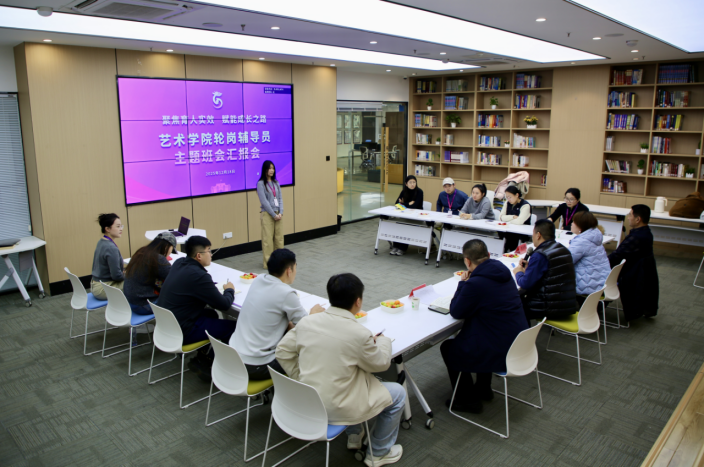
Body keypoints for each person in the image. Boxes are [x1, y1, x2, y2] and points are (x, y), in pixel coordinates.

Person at [276, 274, 406, 466]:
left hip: (307, 400)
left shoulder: (307, 322)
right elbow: (381, 364)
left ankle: (354, 435)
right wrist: (383, 341)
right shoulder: (359, 333)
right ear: (358, 301)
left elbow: (282, 351)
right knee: (398, 393)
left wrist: (301, 377)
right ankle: (378, 453)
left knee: (348, 374)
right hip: (337, 408)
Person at [441, 240, 527, 414]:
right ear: (488, 255)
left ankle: (467, 400)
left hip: (501, 348)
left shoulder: (475, 283)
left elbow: (456, 311)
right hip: (519, 342)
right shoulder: (503, 272)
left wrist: (462, 284)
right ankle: (483, 388)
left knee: (449, 347)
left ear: (467, 261)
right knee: (483, 330)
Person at [231, 248, 325, 381]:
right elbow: (306, 326)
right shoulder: (286, 293)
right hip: (256, 365)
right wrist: (313, 314)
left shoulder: (259, 279)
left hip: (232, 356)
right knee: (307, 351)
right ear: (289, 270)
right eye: (295, 268)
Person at [158, 235, 236, 379]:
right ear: (199, 256)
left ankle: (203, 356)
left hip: (167, 325)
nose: (211, 254)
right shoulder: (198, 276)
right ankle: (212, 364)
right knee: (234, 327)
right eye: (209, 251)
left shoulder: (179, 263)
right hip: (183, 330)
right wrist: (229, 290)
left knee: (211, 314)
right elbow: (224, 305)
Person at [513, 219, 578, 323]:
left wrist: (518, 272)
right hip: (567, 304)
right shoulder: (563, 249)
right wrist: (529, 268)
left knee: (514, 302)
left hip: (549, 306)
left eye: (533, 234)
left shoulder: (540, 255)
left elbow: (525, 284)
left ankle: (523, 332)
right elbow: (551, 275)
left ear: (538, 235)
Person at [608, 204, 659, 321]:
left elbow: (615, 257)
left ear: (638, 219)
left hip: (629, 274)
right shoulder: (647, 233)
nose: (628, 217)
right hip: (638, 272)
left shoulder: (636, 238)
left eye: (630, 215)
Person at [124, 232, 177, 315]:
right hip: (143, 305)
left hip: (130, 302)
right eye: (171, 250)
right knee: (181, 298)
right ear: (167, 246)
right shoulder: (158, 258)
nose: (170, 253)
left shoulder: (141, 251)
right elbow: (174, 279)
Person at [568, 212, 610, 303]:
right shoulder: (594, 237)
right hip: (602, 284)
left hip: (589, 289)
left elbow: (566, 261)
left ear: (580, 227)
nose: (571, 224)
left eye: (574, 222)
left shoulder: (581, 242)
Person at [91, 213, 125, 300]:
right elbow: (116, 276)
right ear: (107, 229)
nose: (121, 229)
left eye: (121, 226)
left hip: (96, 285)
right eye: (118, 226)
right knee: (139, 281)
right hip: (103, 289)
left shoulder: (101, 241)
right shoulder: (110, 247)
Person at [257, 160, 284, 269]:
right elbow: (264, 202)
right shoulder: (260, 184)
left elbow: (280, 198)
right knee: (268, 240)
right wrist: (273, 214)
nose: (271, 170)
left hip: (278, 214)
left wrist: (281, 212)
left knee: (279, 239)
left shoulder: (276, 183)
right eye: (269, 168)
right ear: (265, 170)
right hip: (267, 214)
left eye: (273, 168)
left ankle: (280, 262)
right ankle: (268, 264)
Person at [390, 175, 424, 256]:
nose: (412, 184)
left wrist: (402, 204)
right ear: (406, 184)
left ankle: (402, 248)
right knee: (399, 224)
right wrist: (408, 203)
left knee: (406, 225)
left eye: (414, 182)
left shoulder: (419, 192)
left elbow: (414, 206)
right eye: (410, 182)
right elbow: (396, 204)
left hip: (416, 216)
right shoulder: (404, 191)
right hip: (405, 215)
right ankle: (395, 246)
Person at [499, 186, 532, 252]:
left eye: (510, 197)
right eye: (507, 197)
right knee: (501, 233)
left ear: (517, 195)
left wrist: (507, 220)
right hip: (509, 231)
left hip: (520, 234)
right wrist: (513, 217)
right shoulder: (507, 203)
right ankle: (504, 252)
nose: (508, 199)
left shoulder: (525, 205)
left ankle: (508, 252)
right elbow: (501, 217)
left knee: (510, 237)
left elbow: (519, 221)